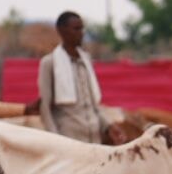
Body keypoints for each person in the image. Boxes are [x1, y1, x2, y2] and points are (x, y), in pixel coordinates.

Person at [36, 11, 122, 144]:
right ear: (61, 31)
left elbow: (94, 105)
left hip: (94, 141)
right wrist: (55, 140)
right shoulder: (49, 63)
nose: (81, 33)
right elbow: (45, 107)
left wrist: (109, 126)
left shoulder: (86, 61)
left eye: (82, 28)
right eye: (76, 29)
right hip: (69, 141)